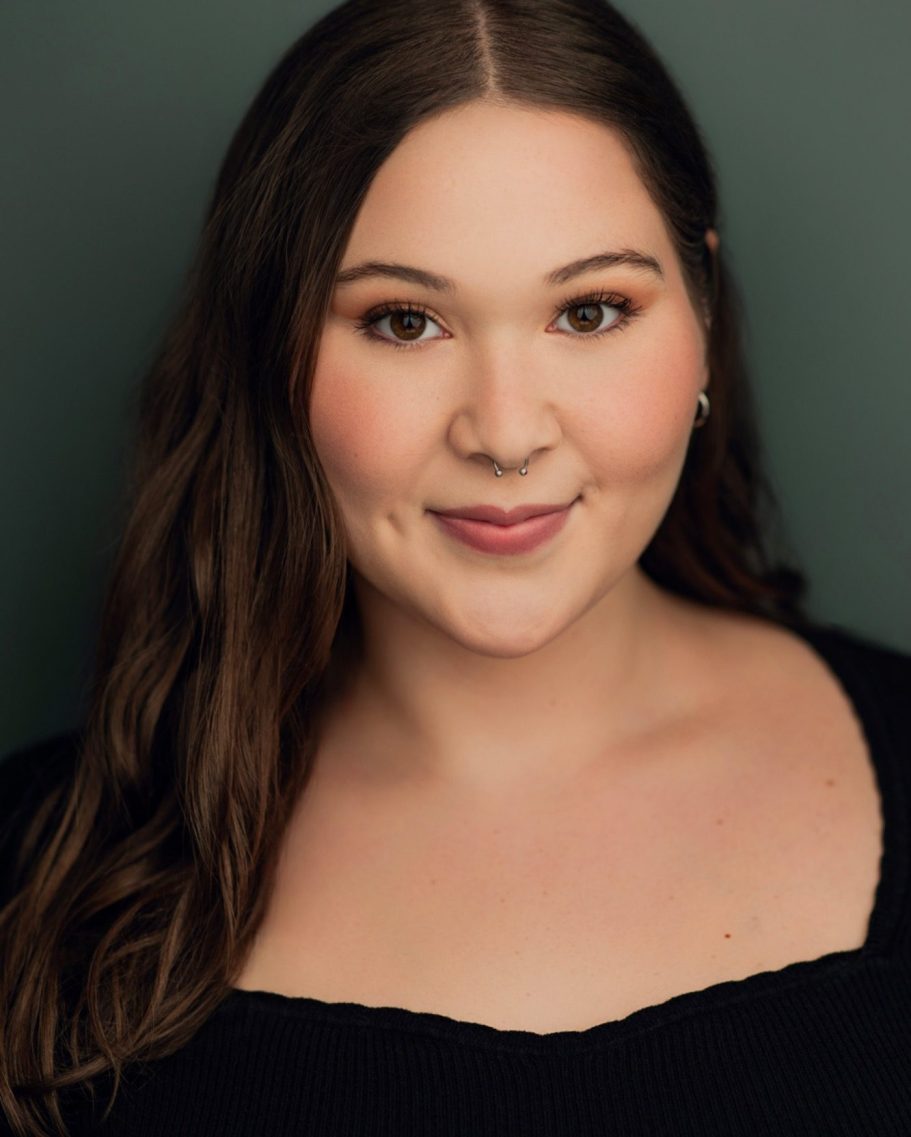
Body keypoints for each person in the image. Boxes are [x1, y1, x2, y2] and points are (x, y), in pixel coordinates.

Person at [1, 0, 909, 1134]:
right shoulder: (32, 884)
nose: (505, 433)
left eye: (590, 311)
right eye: (402, 322)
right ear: (268, 352)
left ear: (701, 315)